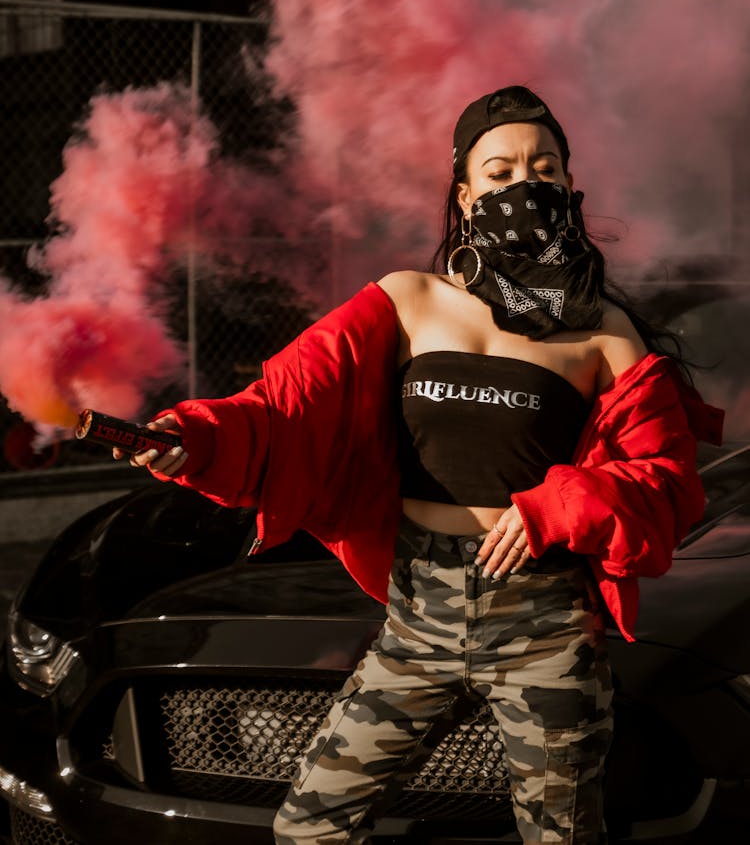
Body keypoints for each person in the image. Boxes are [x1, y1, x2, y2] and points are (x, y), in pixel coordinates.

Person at [117, 86, 723, 844]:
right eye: (499, 172)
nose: (522, 185)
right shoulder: (406, 300)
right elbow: (284, 404)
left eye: (542, 168)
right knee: (309, 826)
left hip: (542, 625)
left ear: (569, 190)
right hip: (415, 624)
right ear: (466, 198)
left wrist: (555, 504)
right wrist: (193, 439)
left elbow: (667, 481)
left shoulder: (605, 332)